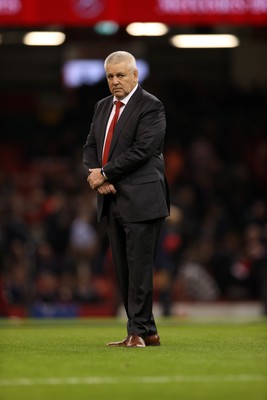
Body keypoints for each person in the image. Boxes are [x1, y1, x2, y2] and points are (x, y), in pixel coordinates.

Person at [83, 51, 170, 348]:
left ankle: (139, 330)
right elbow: (91, 146)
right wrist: (96, 174)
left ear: (135, 76)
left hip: (143, 199)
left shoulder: (151, 106)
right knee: (123, 268)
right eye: (110, 76)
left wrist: (105, 174)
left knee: (140, 268)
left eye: (121, 75)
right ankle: (145, 331)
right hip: (113, 198)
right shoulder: (102, 106)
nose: (115, 81)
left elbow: (142, 150)